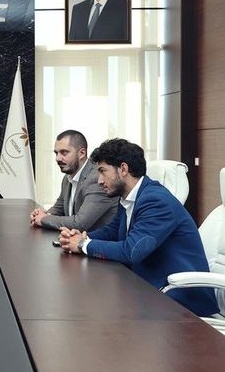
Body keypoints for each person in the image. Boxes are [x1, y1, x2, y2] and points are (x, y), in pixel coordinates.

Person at [59, 138, 218, 316]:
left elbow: (132, 251)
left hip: (180, 300)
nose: (99, 180)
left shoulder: (156, 201)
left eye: (103, 171)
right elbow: (112, 231)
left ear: (123, 169)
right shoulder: (129, 197)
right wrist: (81, 236)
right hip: (149, 288)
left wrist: (83, 245)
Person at [30, 130, 117, 231]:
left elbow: (80, 223)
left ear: (82, 153)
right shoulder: (68, 178)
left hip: (96, 240)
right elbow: (59, 208)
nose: (57, 158)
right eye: (56, 153)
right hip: (72, 238)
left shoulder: (97, 179)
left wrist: (43, 219)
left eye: (64, 152)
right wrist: (41, 215)